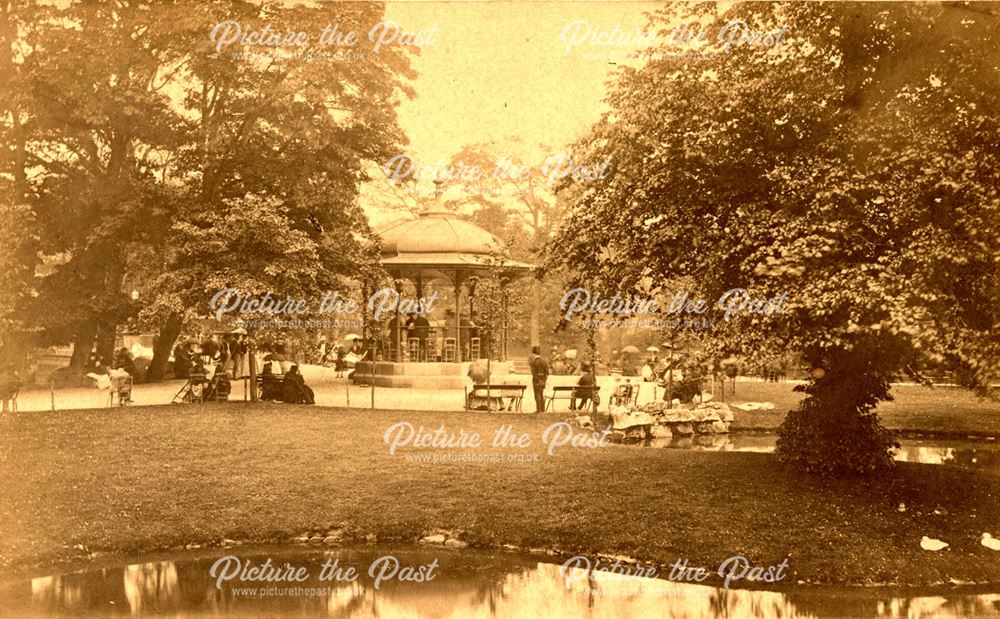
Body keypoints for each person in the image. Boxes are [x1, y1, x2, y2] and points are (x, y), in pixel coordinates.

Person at [529, 345, 549, 413]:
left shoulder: (534, 362)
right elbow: (547, 372)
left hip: (536, 380)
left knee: (537, 395)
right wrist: (543, 380)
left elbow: (534, 373)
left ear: (533, 354)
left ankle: (539, 409)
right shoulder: (545, 361)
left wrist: (538, 380)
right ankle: (543, 409)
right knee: (541, 394)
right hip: (543, 380)